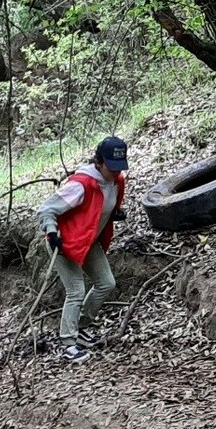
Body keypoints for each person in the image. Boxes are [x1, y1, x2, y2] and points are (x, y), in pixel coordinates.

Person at [37, 135, 129, 365]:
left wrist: (113, 213)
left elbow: (103, 206)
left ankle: (81, 326)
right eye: (111, 167)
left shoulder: (116, 182)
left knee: (106, 283)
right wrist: (51, 231)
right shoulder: (81, 184)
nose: (115, 172)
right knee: (76, 290)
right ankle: (68, 343)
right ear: (99, 162)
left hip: (88, 241)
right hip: (64, 243)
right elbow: (46, 209)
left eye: (119, 167)